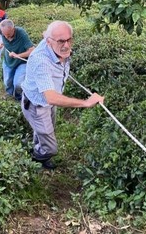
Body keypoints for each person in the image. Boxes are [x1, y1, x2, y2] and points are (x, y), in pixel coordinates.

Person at [21, 21, 104, 169]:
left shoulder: (52, 42)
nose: (66, 45)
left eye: (69, 40)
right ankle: (35, 158)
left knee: (45, 131)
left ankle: (38, 148)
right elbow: (51, 97)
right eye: (61, 41)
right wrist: (85, 103)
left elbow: (46, 35)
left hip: (49, 101)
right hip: (37, 104)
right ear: (49, 41)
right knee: (51, 147)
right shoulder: (41, 61)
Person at [0, 19, 35, 100]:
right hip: (8, 61)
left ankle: (18, 97)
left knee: (18, 84)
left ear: (13, 29)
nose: (6, 37)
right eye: (4, 35)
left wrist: (18, 55)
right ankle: (9, 94)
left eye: (8, 34)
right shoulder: (1, 30)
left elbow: (32, 50)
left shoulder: (21, 33)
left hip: (21, 62)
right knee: (7, 82)